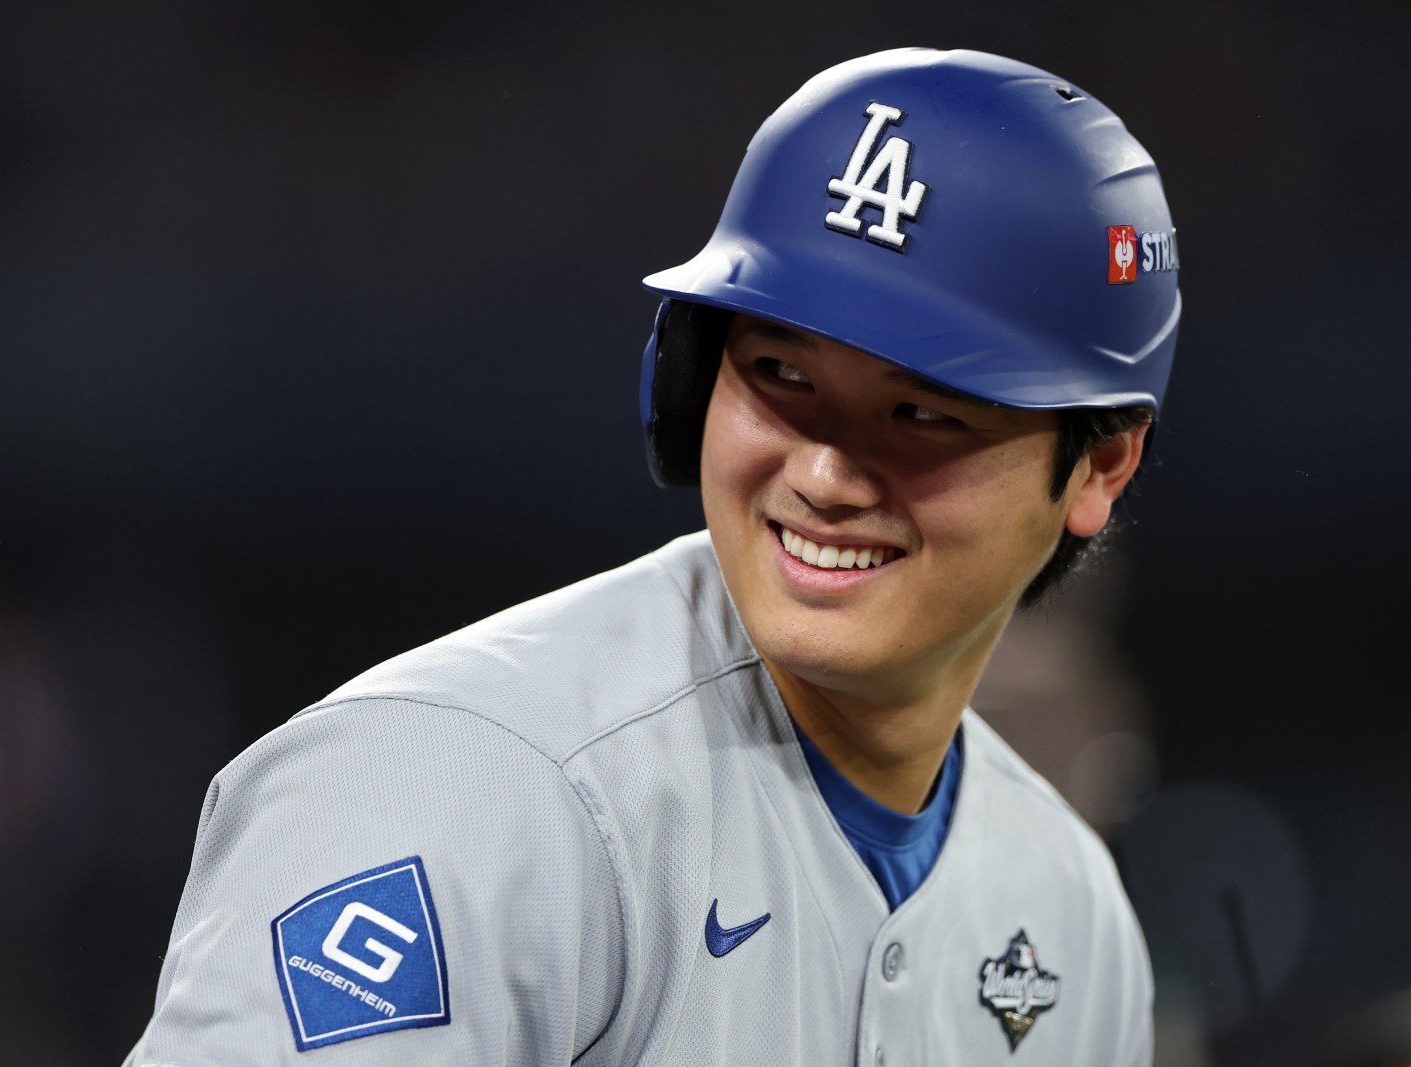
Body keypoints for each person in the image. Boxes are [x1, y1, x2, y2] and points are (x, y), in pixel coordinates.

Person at [126, 46, 1180, 1065]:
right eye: (780, 374)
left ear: (1099, 465)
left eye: (920, 412)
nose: (823, 474)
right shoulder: (460, 784)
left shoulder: (1070, 914)